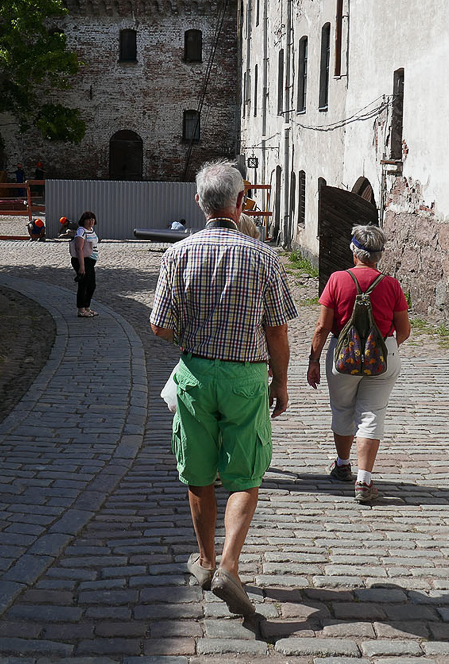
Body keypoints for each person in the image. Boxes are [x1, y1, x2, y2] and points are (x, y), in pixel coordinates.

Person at [150, 160, 297, 618]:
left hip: (195, 374)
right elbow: (277, 333)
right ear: (242, 200)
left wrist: (194, 337)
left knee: (198, 472)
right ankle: (230, 564)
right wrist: (281, 382)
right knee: (245, 474)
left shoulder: (178, 255)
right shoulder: (264, 257)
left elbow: (158, 326)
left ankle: (207, 560)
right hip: (245, 377)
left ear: (199, 202)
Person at [306, 224, 410, 504]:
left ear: (354, 251)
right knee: (372, 412)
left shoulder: (338, 280)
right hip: (382, 357)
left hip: (343, 356)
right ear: (380, 255)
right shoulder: (391, 284)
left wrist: (314, 360)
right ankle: (364, 480)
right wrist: (385, 348)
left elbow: (321, 326)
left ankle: (342, 465)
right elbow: (404, 329)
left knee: (342, 409)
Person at [71, 211, 99, 318]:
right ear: (83, 220)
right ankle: (81, 309)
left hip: (91, 260)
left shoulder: (91, 230)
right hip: (84, 260)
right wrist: (81, 266)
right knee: (84, 285)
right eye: (88, 219)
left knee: (91, 284)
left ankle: (87, 307)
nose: (91, 221)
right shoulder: (81, 231)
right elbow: (79, 248)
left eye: (92, 219)